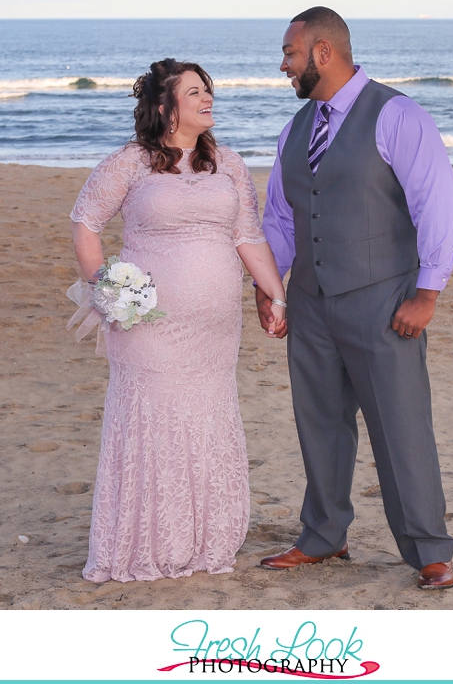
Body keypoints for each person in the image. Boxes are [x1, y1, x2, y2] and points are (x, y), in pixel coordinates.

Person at [256, 7, 453, 590]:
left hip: (383, 297)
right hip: (312, 301)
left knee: (400, 424)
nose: (284, 65)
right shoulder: (295, 129)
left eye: (290, 53)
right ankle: (324, 535)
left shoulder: (397, 115)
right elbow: (280, 217)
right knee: (319, 421)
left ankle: (428, 549)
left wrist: (428, 293)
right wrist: (269, 289)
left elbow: (436, 205)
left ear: (323, 52)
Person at [70, 58, 288, 583]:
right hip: (150, 325)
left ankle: (204, 541)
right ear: (166, 107)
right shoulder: (130, 162)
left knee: (207, 420)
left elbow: (248, 236)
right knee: (155, 421)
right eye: (194, 92)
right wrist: (109, 289)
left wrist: (275, 294)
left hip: (214, 331)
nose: (207, 98)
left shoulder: (228, 164)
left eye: (207, 90)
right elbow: (86, 223)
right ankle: (144, 543)